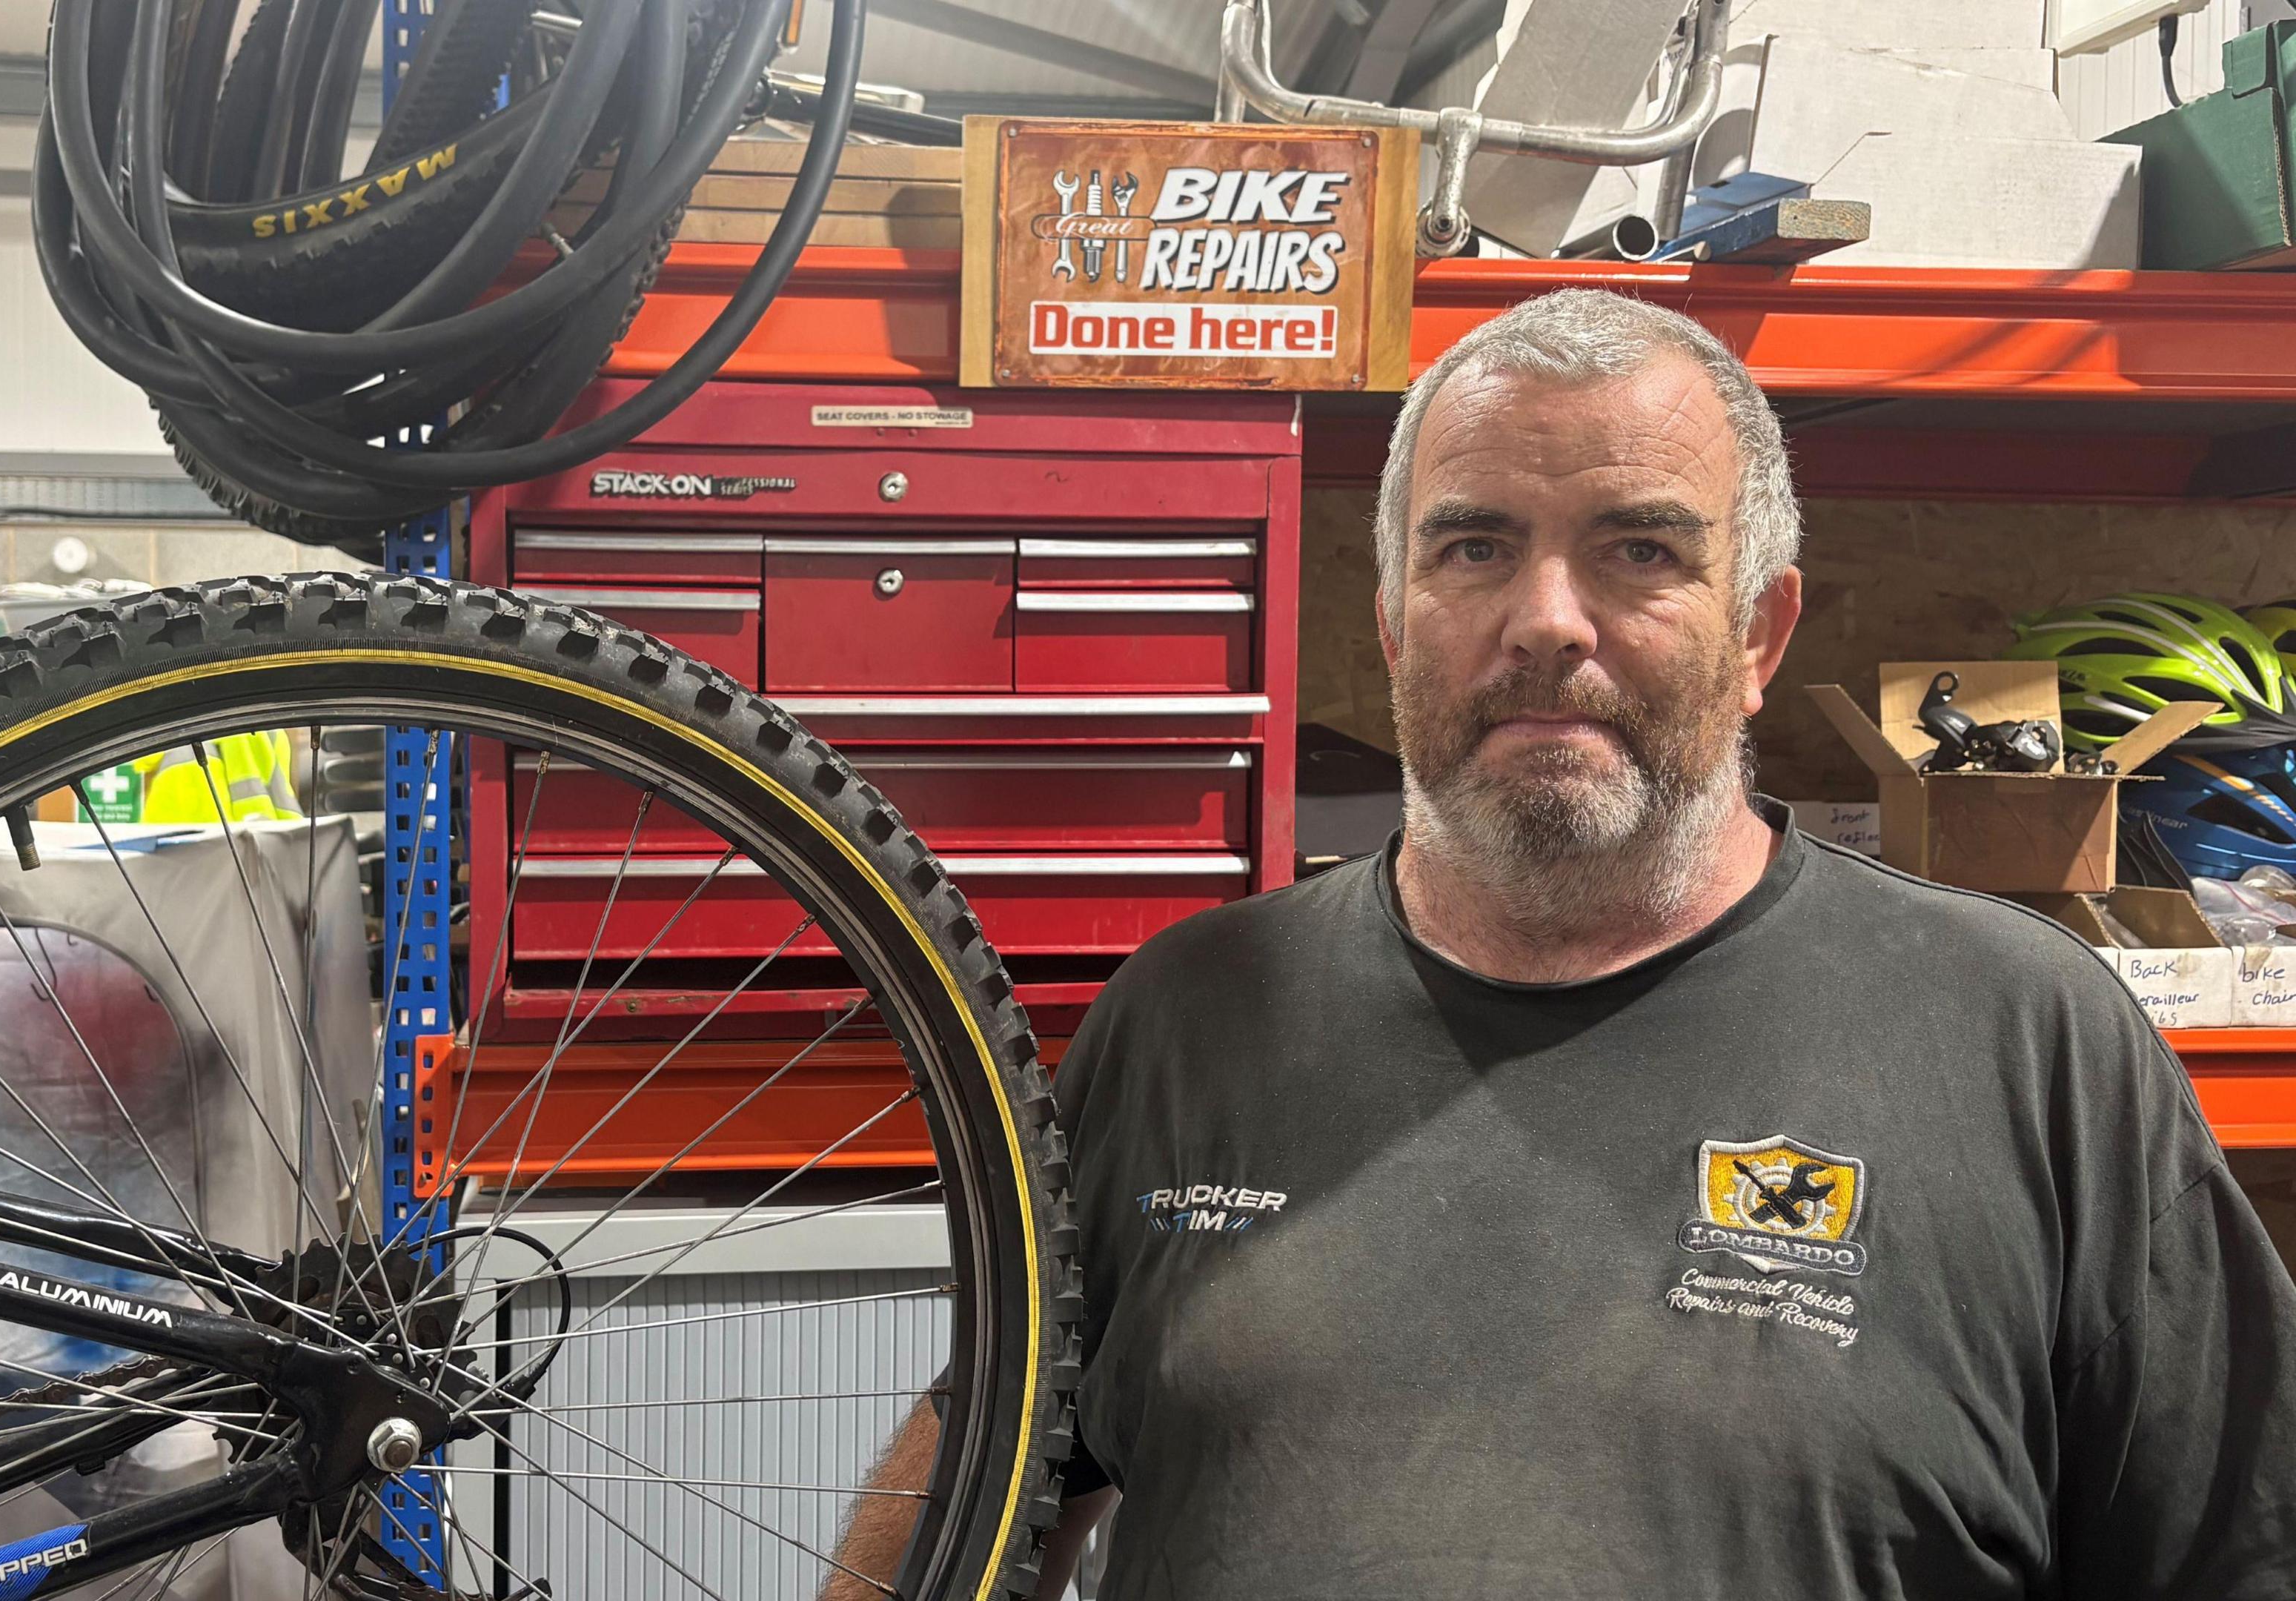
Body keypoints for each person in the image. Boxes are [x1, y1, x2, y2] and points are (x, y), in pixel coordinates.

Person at [825, 288, 2296, 1600]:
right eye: (1474, 547)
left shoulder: (2033, 1047)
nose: (1546, 623)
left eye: (1639, 549)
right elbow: (987, 1465)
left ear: (1761, 634)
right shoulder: (1192, 1013)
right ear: (1398, 623)